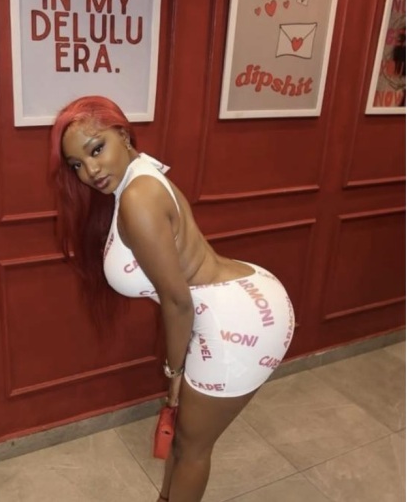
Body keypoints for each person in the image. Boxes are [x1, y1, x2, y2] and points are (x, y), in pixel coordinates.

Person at [51, 95, 295, 502]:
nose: (90, 171)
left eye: (96, 149)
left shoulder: (138, 198)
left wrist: (174, 372)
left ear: (123, 135)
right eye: (77, 164)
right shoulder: (139, 173)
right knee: (183, 443)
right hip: (236, 297)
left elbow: (178, 300)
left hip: (234, 321)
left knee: (191, 449)